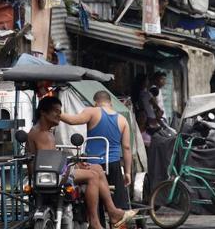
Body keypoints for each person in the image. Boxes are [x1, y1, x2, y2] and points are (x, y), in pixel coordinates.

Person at [27, 97, 137, 229]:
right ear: (43, 112)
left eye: (60, 111)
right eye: (56, 111)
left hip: (53, 173)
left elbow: (53, 159)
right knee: (93, 176)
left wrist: (77, 163)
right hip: (51, 176)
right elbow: (50, 164)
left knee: (96, 168)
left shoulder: (45, 132)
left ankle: (112, 211)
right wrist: (73, 165)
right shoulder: (42, 134)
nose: (59, 115)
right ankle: (96, 221)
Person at [60, 91, 132, 210]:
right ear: (111, 103)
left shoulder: (92, 111)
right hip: (113, 165)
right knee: (117, 205)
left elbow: (73, 120)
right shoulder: (123, 120)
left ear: (95, 103)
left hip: (92, 165)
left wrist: (55, 112)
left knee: (95, 204)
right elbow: (126, 147)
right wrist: (128, 172)